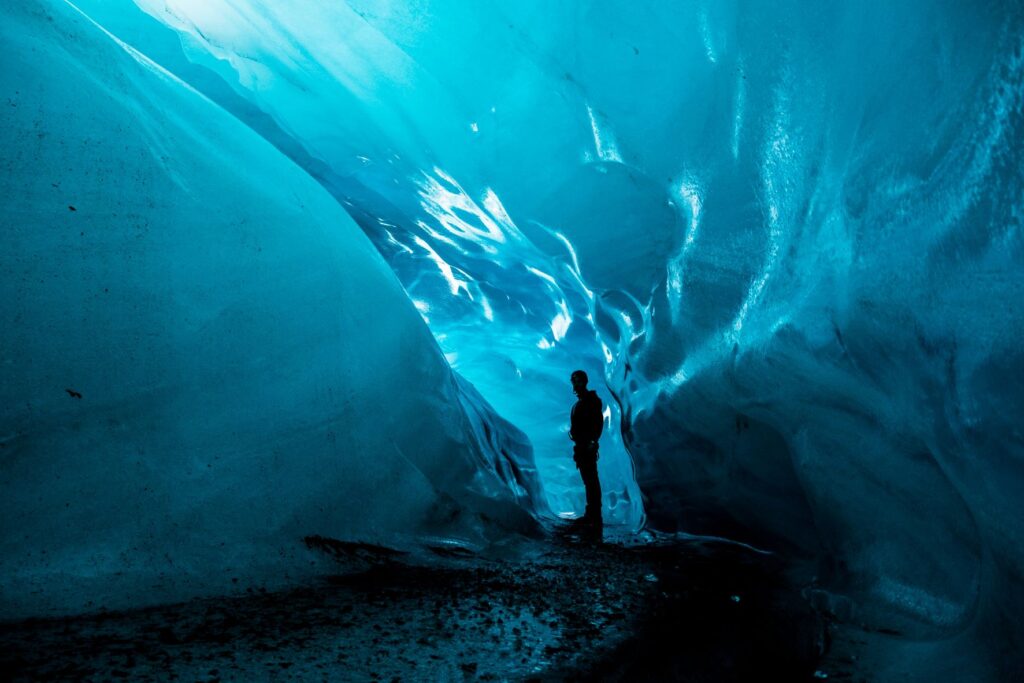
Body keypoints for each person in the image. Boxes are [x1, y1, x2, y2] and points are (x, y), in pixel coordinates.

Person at [569, 369, 603, 527]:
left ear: (584, 381)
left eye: (577, 381)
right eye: (573, 382)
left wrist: (592, 442)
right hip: (581, 448)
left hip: (587, 447)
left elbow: (597, 423)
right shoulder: (580, 404)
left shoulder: (591, 401)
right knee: (589, 481)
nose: (575, 385)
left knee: (591, 481)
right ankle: (591, 514)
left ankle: (594, 515)